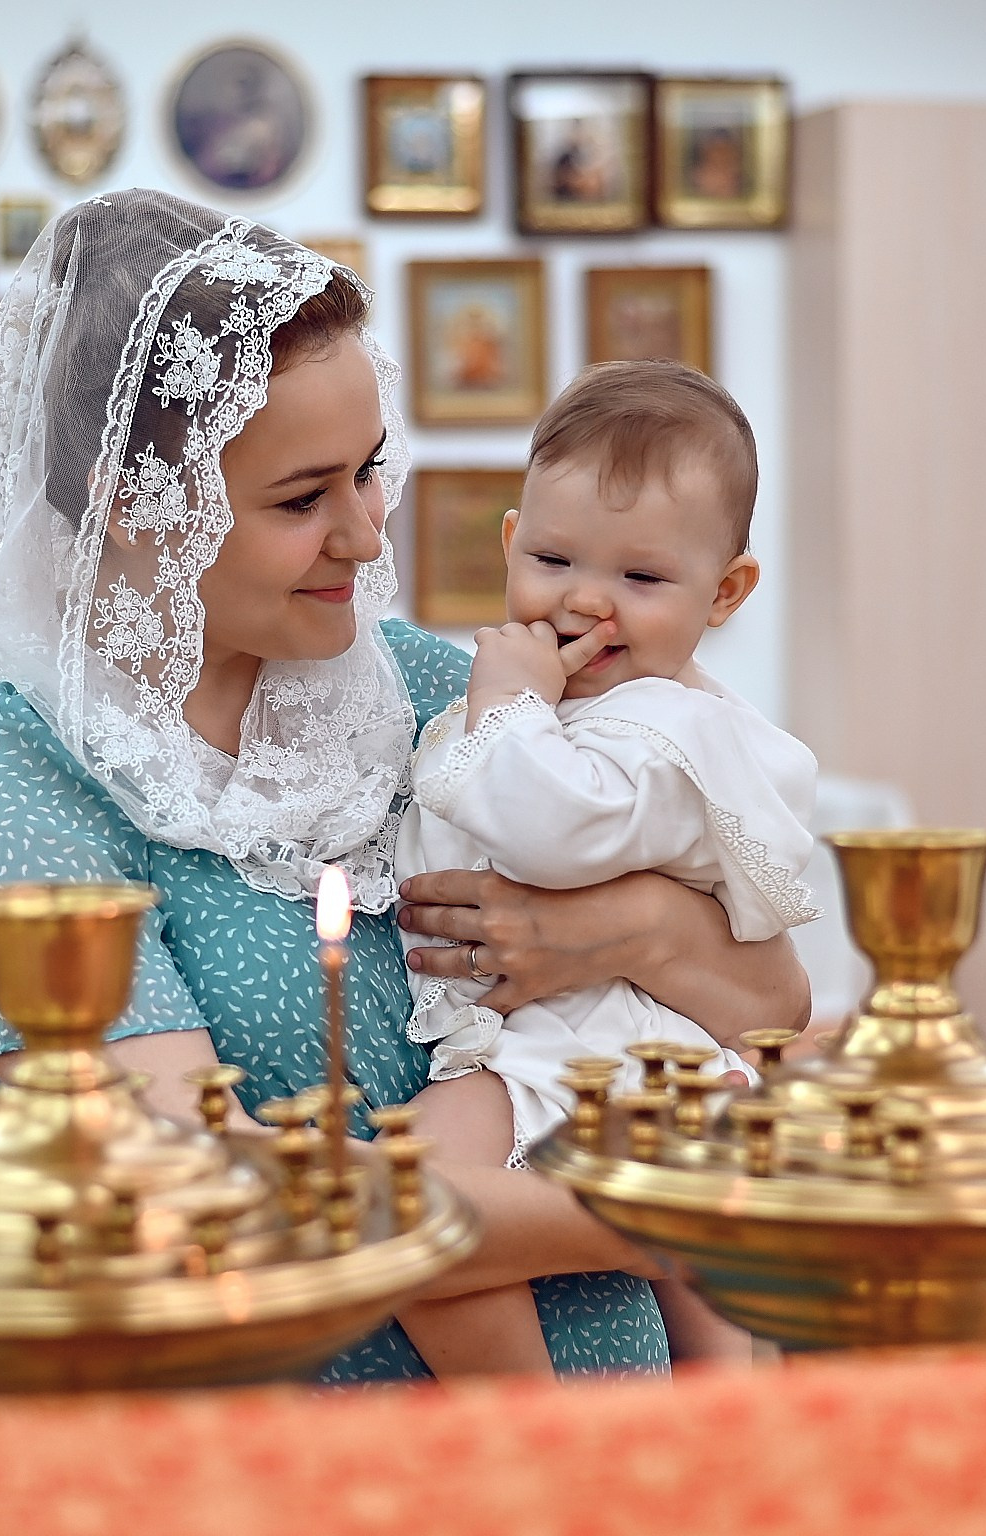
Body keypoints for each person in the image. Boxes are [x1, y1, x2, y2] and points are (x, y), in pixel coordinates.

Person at [0, 189, 810, 1381]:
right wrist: (674, 1214)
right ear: (135, 509)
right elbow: (212, 1205)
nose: (367, 536)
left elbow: (765, 1000)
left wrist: (618, 926)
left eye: (367, 473)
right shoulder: (16, 780)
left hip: (630, 1449)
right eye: (300, 498)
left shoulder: (438, 693)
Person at [391, 360, 818, 1375]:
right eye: (550, 558)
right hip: (602, 1046)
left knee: (408, 1199)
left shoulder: (664, 731)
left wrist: (504, 703)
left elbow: (551, 830)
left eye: (641, 578)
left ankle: (523, 1423)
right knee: (706, 1315)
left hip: (594, 1050)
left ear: (724, 593)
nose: (586, 600)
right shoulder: (593, 713)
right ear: (507, 543)